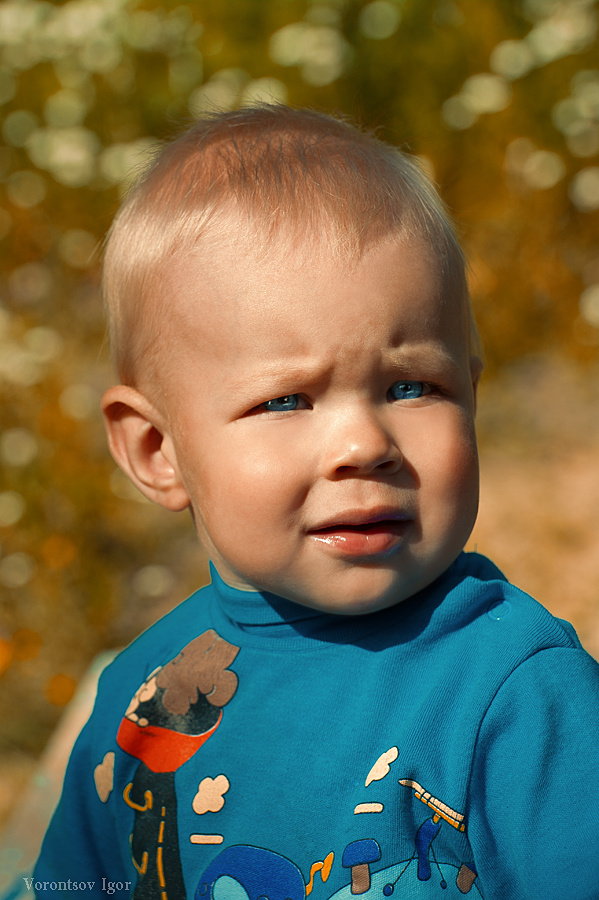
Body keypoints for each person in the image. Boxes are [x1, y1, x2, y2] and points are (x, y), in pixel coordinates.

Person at [34, 106, 599, 899]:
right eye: (286, 400)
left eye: (412, 386)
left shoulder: (520, 697)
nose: (363, 444)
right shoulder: (147, 696)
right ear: (157, 451)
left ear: (471, 395)